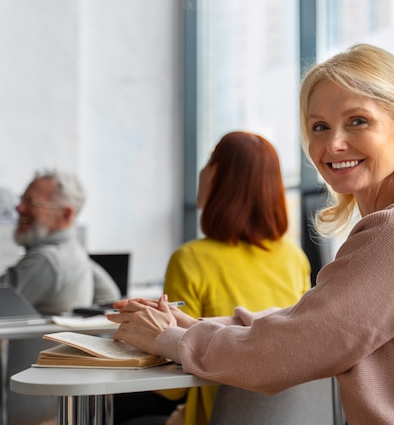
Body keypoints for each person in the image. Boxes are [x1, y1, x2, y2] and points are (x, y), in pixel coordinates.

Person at [109, 44, 394, 424]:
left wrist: (170, 340)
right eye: (319, 126)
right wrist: (191, 327)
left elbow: (295, 344)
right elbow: (306, 318)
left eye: (358, 121)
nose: (333, 143)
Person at [114, 131, 311, 425]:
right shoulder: (295, 258)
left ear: (218, 176)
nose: (202, 171)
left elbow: (174, 389)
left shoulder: (190, 259)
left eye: (209, 162)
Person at [0, 170, 121, 314]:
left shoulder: (46, 261)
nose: (19, 208)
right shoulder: (74, 253)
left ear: (66, 214)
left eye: (31, 202)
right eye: (22, 200)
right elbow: (110, 296)